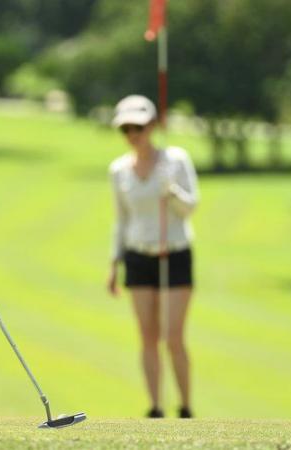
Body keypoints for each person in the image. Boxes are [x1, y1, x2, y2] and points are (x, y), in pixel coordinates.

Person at [106, 95, 198, 419]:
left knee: (173, 336)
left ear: (152, 126)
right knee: (147, 336)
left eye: (139, 127)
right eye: (126, 129)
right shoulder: (118, 170)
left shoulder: (175, 161)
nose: (133, 134)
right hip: (138, 256)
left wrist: (171, 191)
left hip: (174, 254)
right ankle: (155, 408)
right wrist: (114, 263)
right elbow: (121, 219)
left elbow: (190, 208)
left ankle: (185, 407)